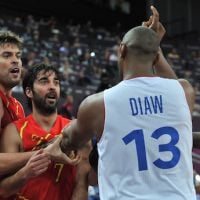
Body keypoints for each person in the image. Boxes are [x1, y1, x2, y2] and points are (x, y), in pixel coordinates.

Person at [58, 6, 196, 199]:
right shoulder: (184, 91)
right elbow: (172, 87)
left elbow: (69, 141)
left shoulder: (97, 104)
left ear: (122, 49)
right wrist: (154, 44)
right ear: (156, 56)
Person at [0, 63, 91, 199]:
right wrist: (26, 173)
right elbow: (2, 191)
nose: (52, 86)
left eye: (56, 82)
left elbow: (81, 185)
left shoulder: (76, 131)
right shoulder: (14, 131)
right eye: (44, 81)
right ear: (29, 91)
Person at [0, 30, 51, 180]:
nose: (15, 60)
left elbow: (16, 157)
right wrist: (45, 153)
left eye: (18, 55)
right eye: (7, 55)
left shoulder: (17, 106)